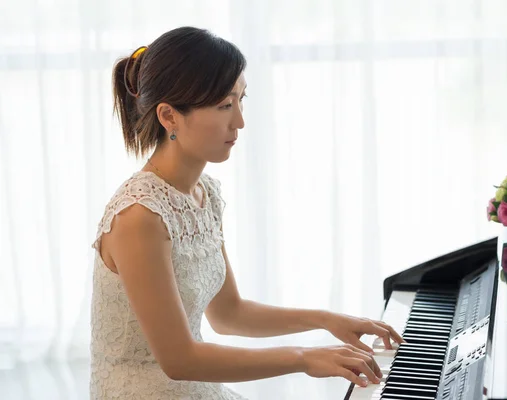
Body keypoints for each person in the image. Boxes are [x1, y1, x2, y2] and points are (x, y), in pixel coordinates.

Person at [90, 26, 403, 399]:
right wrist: (303, 357)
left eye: (242, 100)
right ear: (169, 116)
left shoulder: (205, 194)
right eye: (224, 105)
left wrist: (326, 320)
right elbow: (178, 360)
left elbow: (228, 314)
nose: (239, 122)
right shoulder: (139, 217)